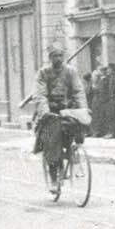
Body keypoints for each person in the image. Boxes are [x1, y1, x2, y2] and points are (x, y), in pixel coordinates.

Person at [31, 45, 89, 190]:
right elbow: (40, 94)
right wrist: (45, 111)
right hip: (51, 112)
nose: (58, 58)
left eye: (60, 55)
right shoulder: (43, 73)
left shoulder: (70, 71)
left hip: (68, 109)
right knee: (52, 140)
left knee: (78, 127)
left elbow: (78, 91)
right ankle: (53, 177)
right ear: (50, 58)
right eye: (55, 56)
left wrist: (83, 109)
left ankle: (76, 157)